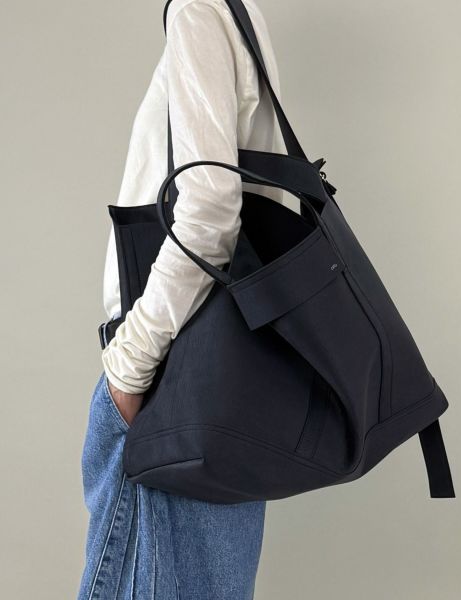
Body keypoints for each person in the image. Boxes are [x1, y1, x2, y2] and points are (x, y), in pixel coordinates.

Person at [77, 0, 286, 598]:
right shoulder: (236, 13)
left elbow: (211, 209)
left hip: (172, 377)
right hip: (226, 380)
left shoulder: (198, 11)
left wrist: (129, 364)